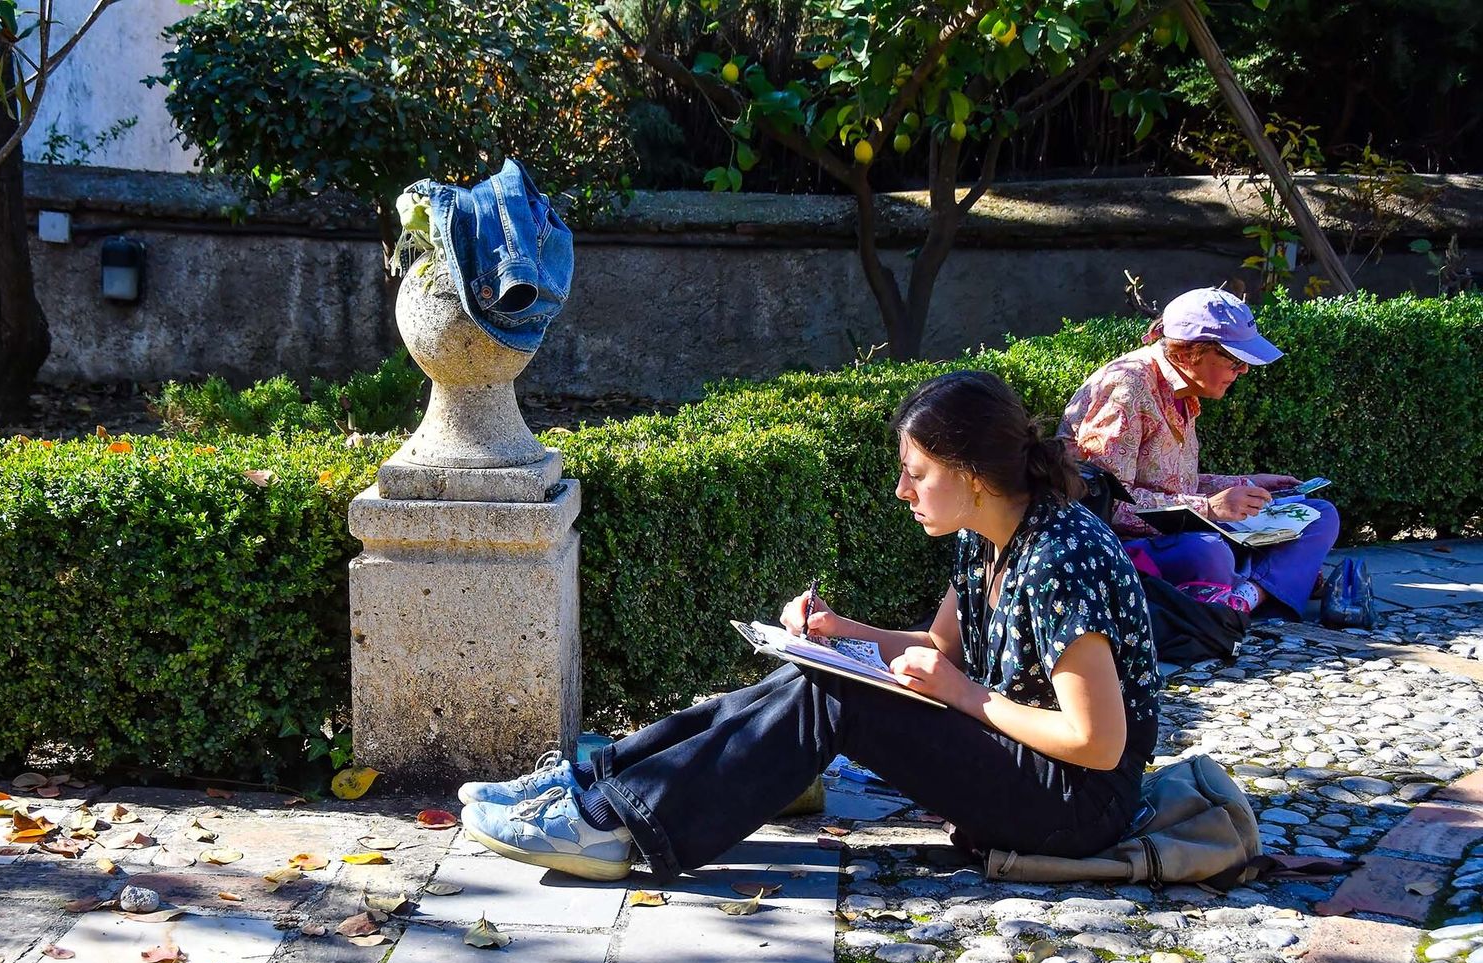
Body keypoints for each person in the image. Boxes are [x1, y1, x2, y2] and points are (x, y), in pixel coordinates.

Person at [457, 371, 1162, 882]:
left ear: (971, 473)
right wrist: (835, 630)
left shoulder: (1059, 557)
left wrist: (961, 694)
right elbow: (938, 649)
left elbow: (1096, 744)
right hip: (1029, 762)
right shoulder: (987, 534)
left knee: (838, 699)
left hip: (1076, 806)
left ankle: (611, 827)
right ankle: (598, 781)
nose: (902, 490)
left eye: (916, 473)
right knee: (820, 673)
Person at [1058, 286, 1339, 618]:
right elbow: (1101, 504)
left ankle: (1246, 596)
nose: (1243, 370)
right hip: (1123, 546)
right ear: (1191, 352)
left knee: (1320, 514)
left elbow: (1172, 483)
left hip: (1178, 529)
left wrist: (1244, 483)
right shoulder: (1126, 390)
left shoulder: (1182, 389)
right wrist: (1210, 508)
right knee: (1210, 554)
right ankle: (1273, 580)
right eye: (1234, 360)